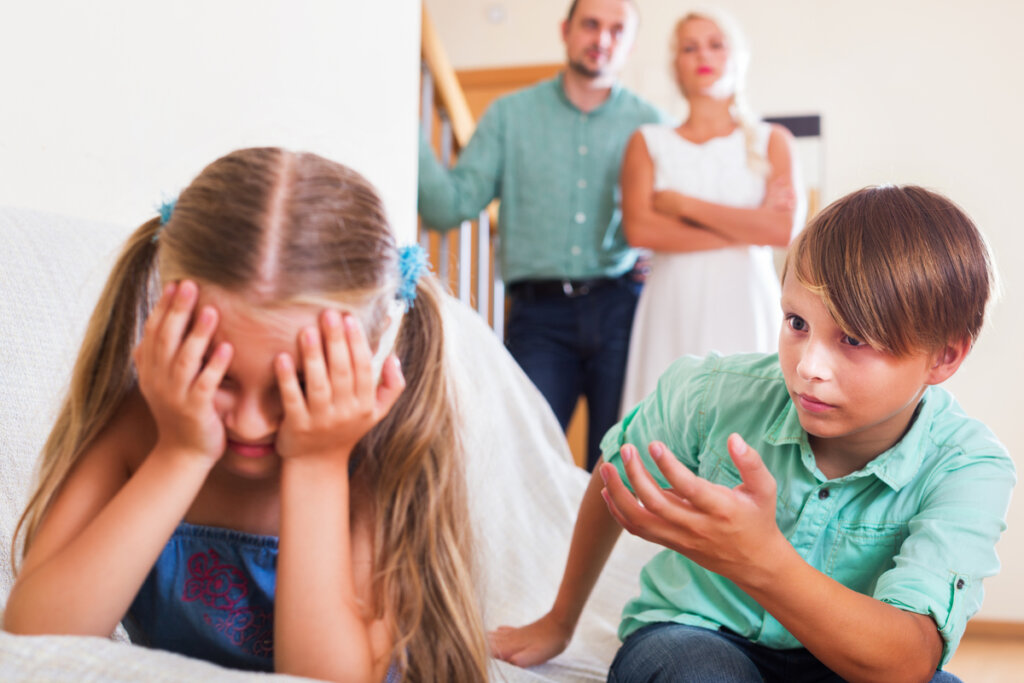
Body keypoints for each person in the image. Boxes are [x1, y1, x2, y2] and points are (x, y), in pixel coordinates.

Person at [489, 185, 1015, 682]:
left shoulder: (968, 466)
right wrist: (559, 621)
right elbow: (611, 480)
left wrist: (762, 559)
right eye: (797, 323)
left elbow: (907, 662)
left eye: (853, 339)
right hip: (696, 633)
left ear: (944, 356)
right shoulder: (707, 392)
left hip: (848, 657)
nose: (808, 366)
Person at [3, 148, 490, 682]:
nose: (252, 424)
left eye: (298, 384)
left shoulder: (376, 460)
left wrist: (317, 465)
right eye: (218, 373)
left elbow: (329, 679)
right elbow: (32, 639)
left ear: (368, 355)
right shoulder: (139, 432)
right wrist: (180, 454)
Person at [418, 0, 670, 471]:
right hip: (540, 318)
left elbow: (674, 213)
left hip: (623, 310)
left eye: (617, 30)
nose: (602, 39)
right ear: (566, 30)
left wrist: (662, 256)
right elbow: (447, 206)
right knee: (521, 464)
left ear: (630, 45)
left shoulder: (654, 124)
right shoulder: (509, 116)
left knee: (619, 469)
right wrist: (403, 131)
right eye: (591, 25)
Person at [618, 8, 804, 415]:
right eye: (690, 47)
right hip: (673, 298)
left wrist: (684, 206)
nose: (704, 55)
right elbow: (641, 231)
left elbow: (783, 230)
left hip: (745, 296)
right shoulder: (647, 142)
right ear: (675, 64)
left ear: (736, 56)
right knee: (665, 420)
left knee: (749, 416)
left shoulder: (774, 142)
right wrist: (746, 226)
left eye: (716, 44)